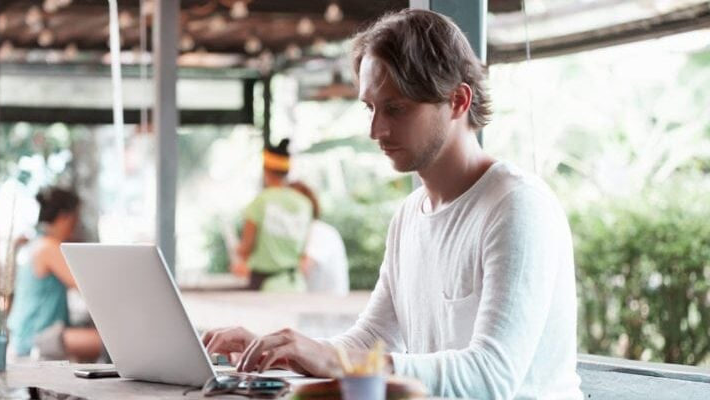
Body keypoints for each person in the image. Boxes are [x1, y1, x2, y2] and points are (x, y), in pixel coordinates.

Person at [203, 9, 583, 399]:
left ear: (457, 100)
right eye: (370, 107)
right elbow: (372, 340)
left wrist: (335, 362)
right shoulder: (410, 215)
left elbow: (490, 377)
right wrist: (285, 353)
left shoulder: (517, 206)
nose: (376, 130)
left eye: (396, 109)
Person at [7, 187, 103, 362]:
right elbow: (86, 288)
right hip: (37, 338)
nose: (77, 223)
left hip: (27, 334)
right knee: (108, 343)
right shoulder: (48, 247)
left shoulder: (36, 243)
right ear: (64, 216)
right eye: (76, 217)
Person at [232, 139, 314, 292]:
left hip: (264, 286)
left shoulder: (260, 202)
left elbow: (246, 247)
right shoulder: (304, 203)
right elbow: (305, 249)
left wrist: (238, 250)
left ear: (266, 170)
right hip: (296, 285)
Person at [288, 181, 349, 296]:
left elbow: (302, 269)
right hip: (308, 306)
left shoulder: (320, 232)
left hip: (326, 308)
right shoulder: (299, 232)